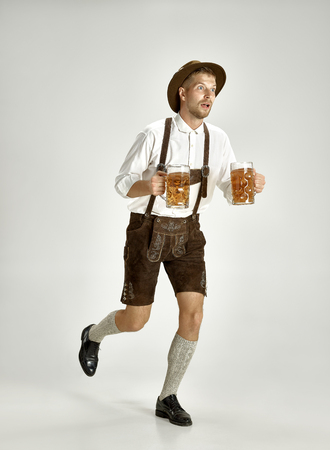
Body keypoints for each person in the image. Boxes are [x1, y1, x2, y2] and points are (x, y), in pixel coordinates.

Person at [78, 60, 266, 427]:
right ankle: (93, 334)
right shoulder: (154, 133)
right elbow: (121, 182)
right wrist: (147, 186)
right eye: (201, 87)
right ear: (183, 92)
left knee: (193, 316)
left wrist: (249, 185)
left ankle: (167, 397)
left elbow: (227, 188)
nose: (209, 94)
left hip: (190, 233)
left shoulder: (219, 139)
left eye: (213, 89)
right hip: (147, 230)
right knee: (136, 320)